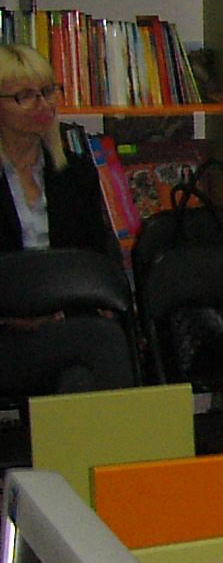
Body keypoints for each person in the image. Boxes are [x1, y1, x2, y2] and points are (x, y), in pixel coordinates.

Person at [0, 43, 134, 396]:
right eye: (24, 96)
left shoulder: (75, 172)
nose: (42, 104)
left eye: (48, 91)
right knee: (98, 343)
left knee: (80, 376)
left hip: (63, 324)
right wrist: (12, 314)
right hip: (5, 329)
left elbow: (93, 260)